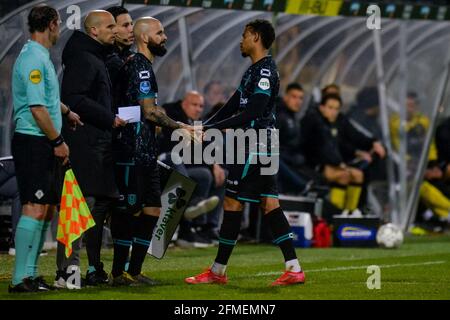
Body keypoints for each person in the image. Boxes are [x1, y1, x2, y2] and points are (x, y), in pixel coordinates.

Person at [185, 19, 305, 286]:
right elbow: (231, 106)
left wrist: (211, 129)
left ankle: (218, 271)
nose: (241, 40)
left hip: (255, 142)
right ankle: (294, 268)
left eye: (244, 35)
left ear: (255, 37)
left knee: (232, 201)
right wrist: (205, 125)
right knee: (269, 203)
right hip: (259, 142)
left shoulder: (264, 73)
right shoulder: (253, 71)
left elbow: (251, 113)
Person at [110, 17, 196, 286]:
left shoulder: (144, 66)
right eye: (160, 33)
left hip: (146, 152)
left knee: (152, 210)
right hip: (133, 151)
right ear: (145, 37)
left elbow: (148, 110)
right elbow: (148, 111)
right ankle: (118, 273)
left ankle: (134, 270)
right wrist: (179, 126)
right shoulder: (140, 67)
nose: (165, 37)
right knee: (129, 210)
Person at [9, 4, 82, 293]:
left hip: (42, 140)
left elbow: (47, 98)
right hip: (34, 141)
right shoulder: (32, 59)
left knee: (47, 210)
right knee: (34, 208)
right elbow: (37, 108)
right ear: (52, 24)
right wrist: (57, 142)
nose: (60, 28)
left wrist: (66, 111)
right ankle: (19, 279)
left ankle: (32, 275)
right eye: (59, 23)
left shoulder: (41, 56)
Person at [57, 10, 126, 288]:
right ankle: (67, 275)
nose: (115, 31)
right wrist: (109, 118)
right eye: (110, 26)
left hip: (95, 144)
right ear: (94, 31)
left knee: (97, 205)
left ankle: (87, 270)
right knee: (77, 208)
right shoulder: (84, 58)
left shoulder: (94, 56)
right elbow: (73, 98)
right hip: (83, 144)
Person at [301, 94, 385, 216]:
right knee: (343, 175)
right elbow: (318, 148)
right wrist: (339, 163)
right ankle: (334, 214)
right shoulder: (315, 121)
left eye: (336, 108)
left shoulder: (337, 122)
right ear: (321, 107)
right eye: (330, 107)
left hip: (333, 162)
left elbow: (352, 138)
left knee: (358, 174)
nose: (333, 112)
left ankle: (349, 212)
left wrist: (372, 143)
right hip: (315, 165)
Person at [160, 91, 224, 247]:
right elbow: (174, 147)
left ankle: (202, 228)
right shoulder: (170, 114)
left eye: (201, 106)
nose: (198, 109)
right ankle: (190, 211)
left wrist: (214, 164)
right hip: (163, 164)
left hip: (184, 167)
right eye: (194, 105)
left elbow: (204, 147)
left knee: (208, 175)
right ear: (184, 103)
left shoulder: (198, 122)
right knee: (177, 163)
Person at [105, 6, 135, 85]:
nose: (131, 29)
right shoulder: (105, 60)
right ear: (112, 28)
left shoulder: (131, 56)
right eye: (125, 25)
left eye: (131, 24)